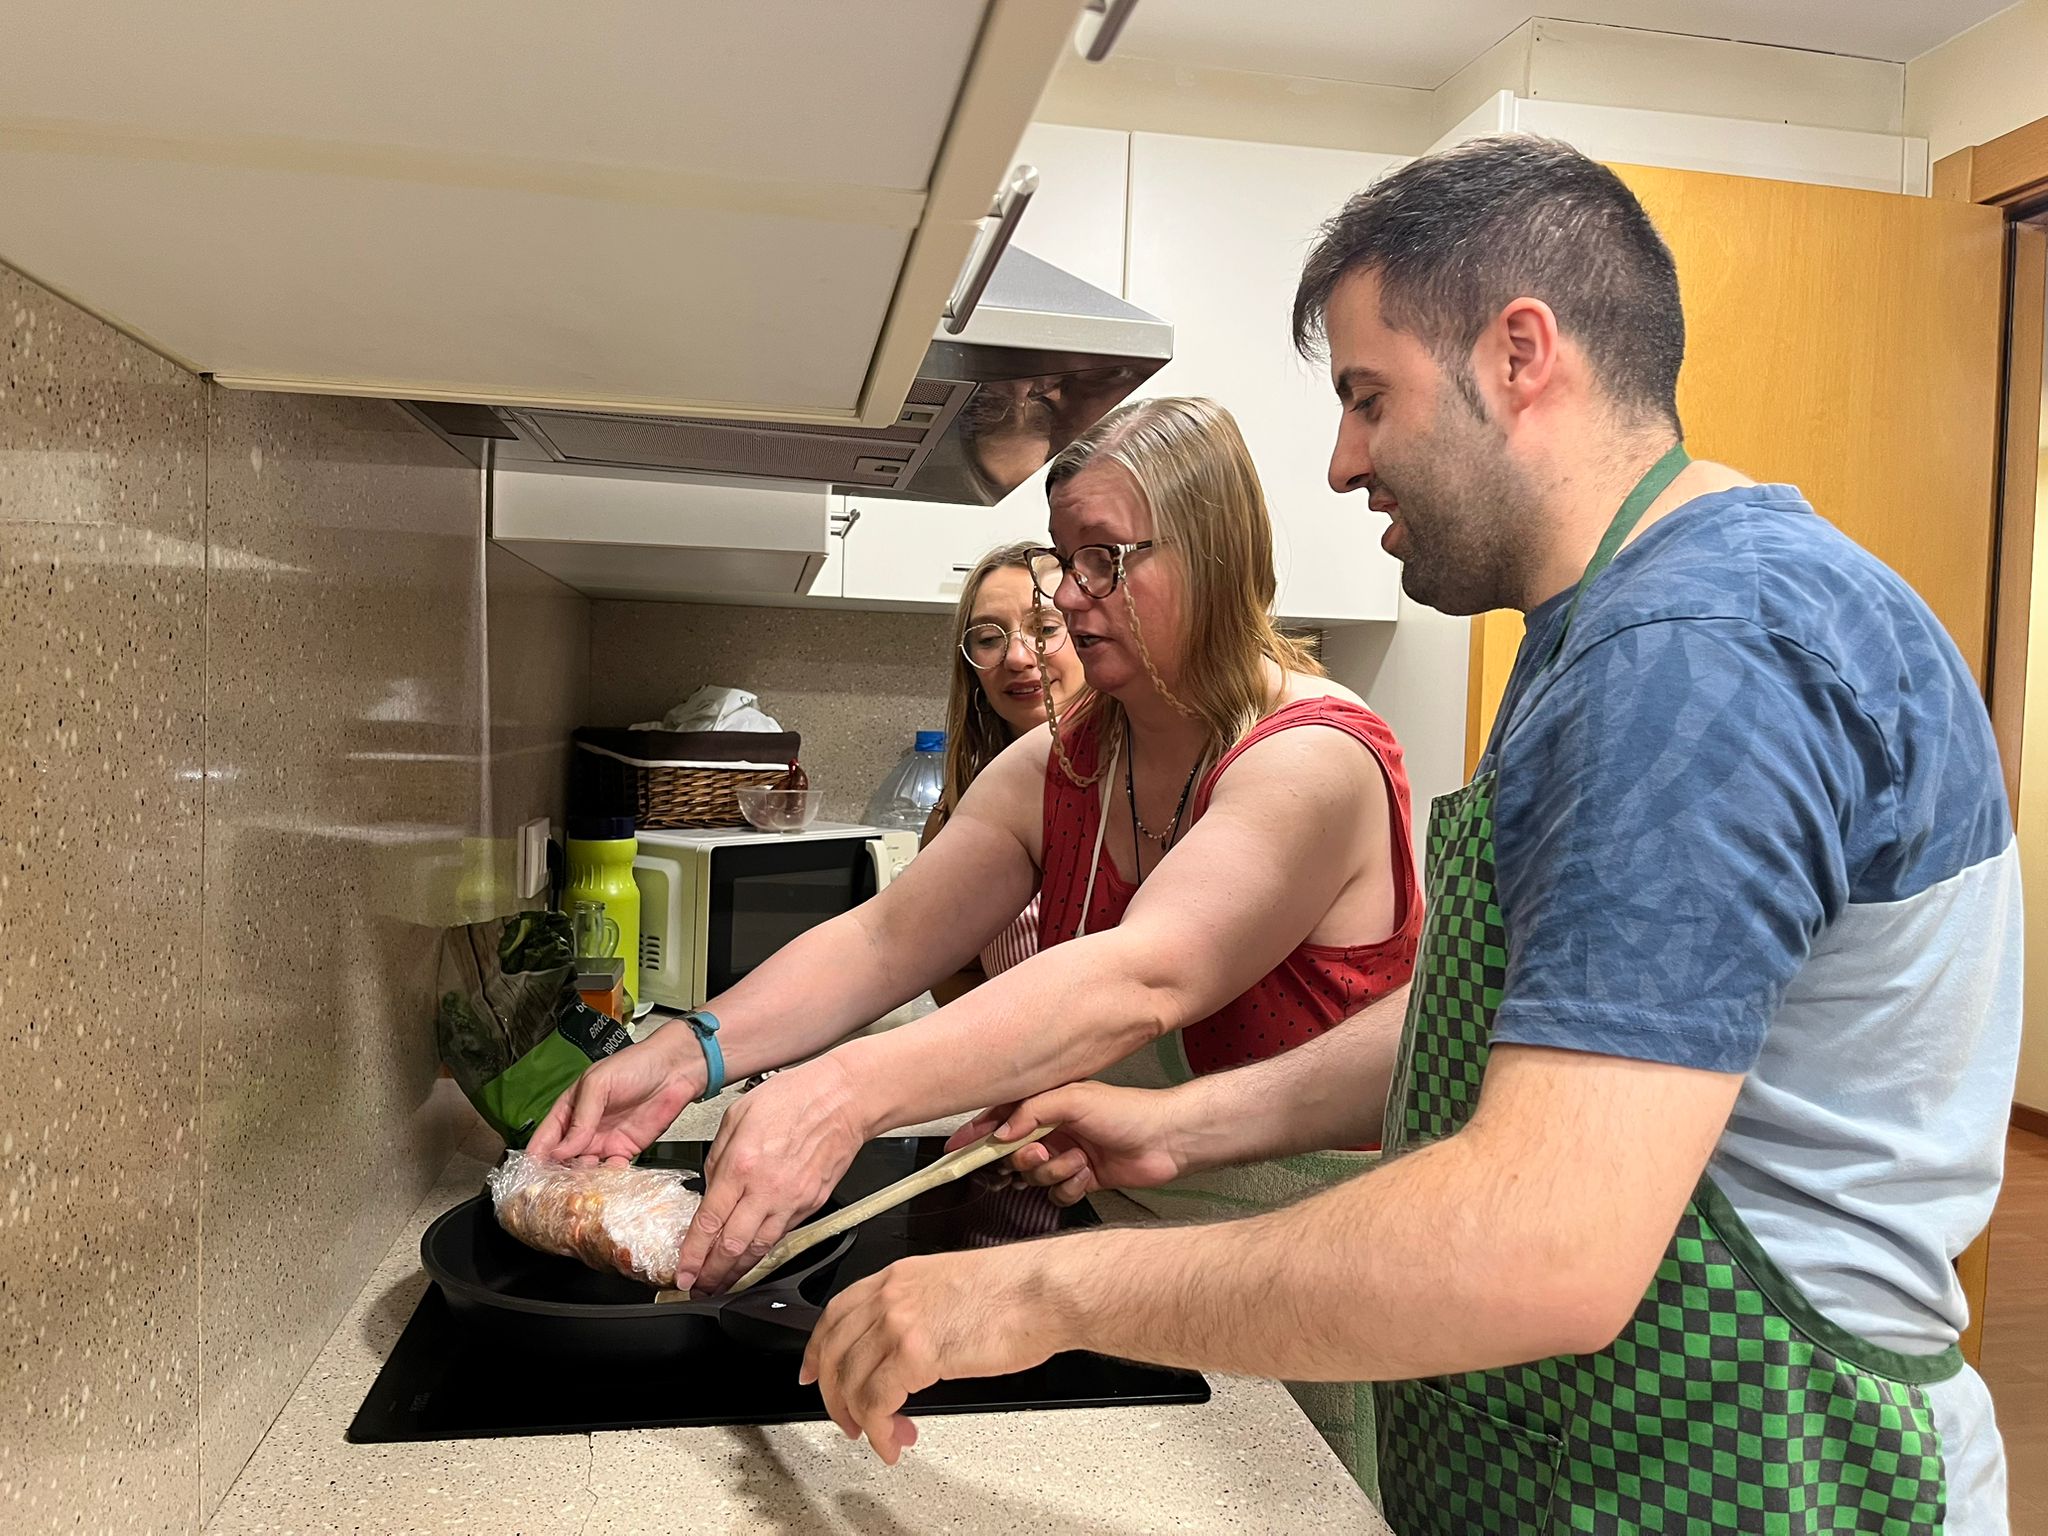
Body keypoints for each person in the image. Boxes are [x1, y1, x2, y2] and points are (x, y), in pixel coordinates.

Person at [798, 136, 2020, 1535]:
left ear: (1520, 353)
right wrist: (1187, 1123)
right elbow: (1530, 1016)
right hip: (1605, 1468)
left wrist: (1040, 1290)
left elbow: (1543, 1244)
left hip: (1764, 1486)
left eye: (1368, 398)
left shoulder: (1696, 658)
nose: (1340, 463)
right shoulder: (1616, 631)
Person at [528, 401, 1421, 1375]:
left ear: (1212, 554)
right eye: (1063, 560)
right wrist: (685, 1052)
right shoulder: (1065, 763)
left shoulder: (1311, 760)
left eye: (1103, 560)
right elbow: (884, 941)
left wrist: (839, 1094)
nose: (1071, 596)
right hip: (1119, 1248)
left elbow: (1144, 978)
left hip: (1306, 1269)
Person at [923, 541, 1087, 1004]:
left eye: (1046, 628)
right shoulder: (955, 815)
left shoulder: (1154, 791)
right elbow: (952, 973)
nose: (1017, 656)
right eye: (989, 638)